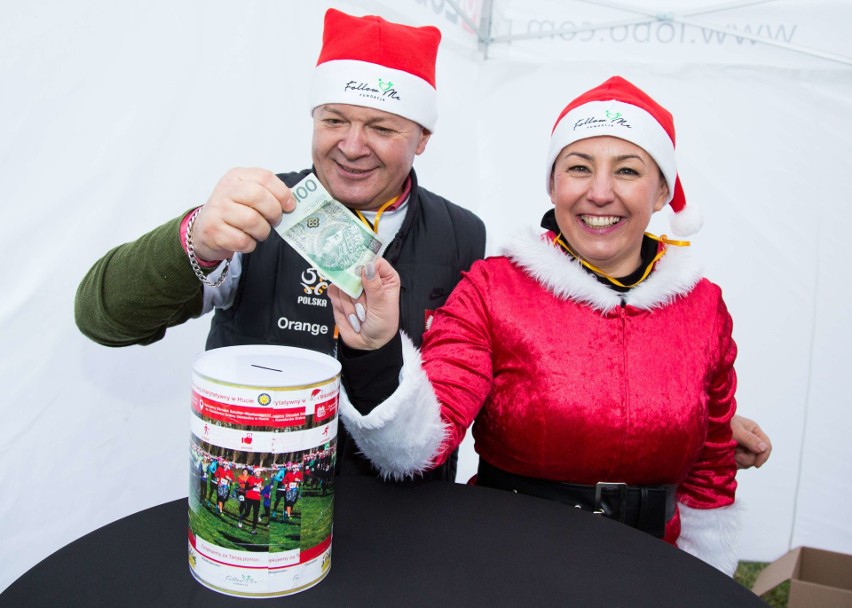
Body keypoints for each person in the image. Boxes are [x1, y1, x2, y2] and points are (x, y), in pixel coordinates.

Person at [329, 76, 744, 575]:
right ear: (552, 184)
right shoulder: (494, 288)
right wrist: (376, 351)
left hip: (650, 571)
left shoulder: (702, 307)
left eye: (628, 170)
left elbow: (711, 467)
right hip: (508, 562)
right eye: (578, 168)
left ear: (662, 194)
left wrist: (705, 577)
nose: (600, 192)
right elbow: (418, 443)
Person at [73, 8, 487, 483]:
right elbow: (101, 317)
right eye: (334, 119)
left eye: (381, 127)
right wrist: (193, 240)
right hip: (259, 514)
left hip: (404, 518)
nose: (352, 146)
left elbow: (455, 393)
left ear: (423, 138)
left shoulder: (462, 234)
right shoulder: (258, 210)